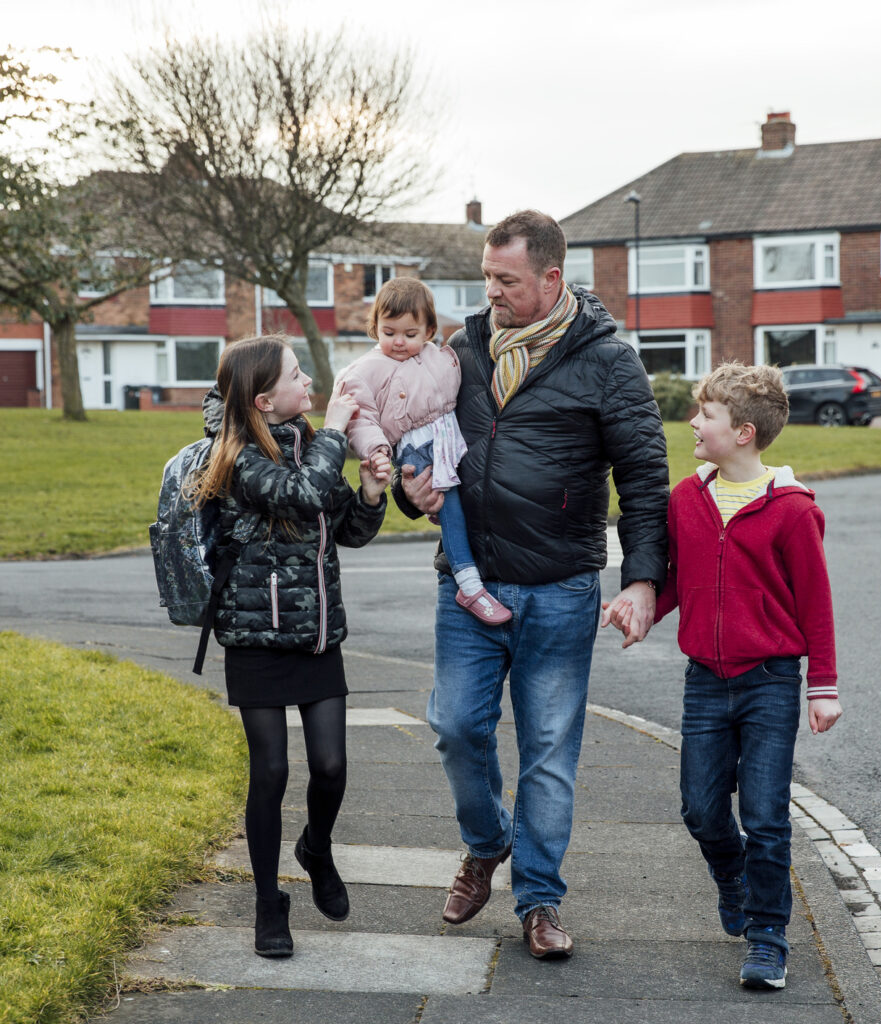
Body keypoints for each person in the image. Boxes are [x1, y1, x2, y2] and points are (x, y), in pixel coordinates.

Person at [395, 210, 669, 959]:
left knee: (549, 751)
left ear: (552, 278)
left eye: (505, 280)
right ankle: (487, 843)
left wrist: (642, 578)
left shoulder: (609, 360)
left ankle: (539, 902)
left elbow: (646, 476)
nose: (491, 294)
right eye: (486, 278)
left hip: (560, 588)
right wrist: (407, 491)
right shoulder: (460, 351)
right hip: (469, 583)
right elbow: (419, 445)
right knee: (455, 725)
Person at [639, 361, 842, 989]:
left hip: (771, 681)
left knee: (766, 815)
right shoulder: (686, 499)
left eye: (707, 414)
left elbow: (815, 602)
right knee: (700, 810)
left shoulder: (792, 511)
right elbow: (679, 579)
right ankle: (732, 876)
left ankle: (767, 938)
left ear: (745, 432)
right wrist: (642, 603)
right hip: (704, 680)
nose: (694, 422)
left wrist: (824, 685)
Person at [186, 334, 390, 958]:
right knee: (270, 771)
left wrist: (372, 492)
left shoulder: (307, 442)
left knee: (330, 766)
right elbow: (298, 495)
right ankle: (268, 903)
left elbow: (342, 529)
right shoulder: (238, 454)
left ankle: (317, 848)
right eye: (299, 376)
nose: (310, 383)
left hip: (316, 632)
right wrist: (335, 432)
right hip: (255, 636)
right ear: (265, 399)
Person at [336, 277, 510, 624]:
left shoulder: (440, 354)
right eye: (389, 332)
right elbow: (361, 419)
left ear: (429, 330)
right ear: (375, 328)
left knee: (474, 494)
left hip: (448, 437)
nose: (398, 342)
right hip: (417, 445)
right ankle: (467, 581)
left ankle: (484, 565)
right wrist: (377, 450)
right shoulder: (364, 370)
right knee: (452, 506)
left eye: (410, 334)